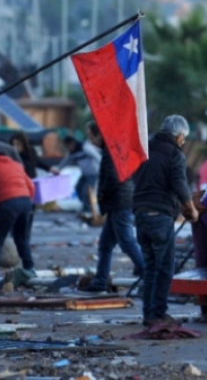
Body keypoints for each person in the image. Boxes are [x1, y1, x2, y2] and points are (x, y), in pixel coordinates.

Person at [133, 115, 198, 326]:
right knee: (165, 268)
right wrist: (191, 210)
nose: (183, 142)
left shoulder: (145, 149)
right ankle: (158, 314)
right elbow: (180, 184)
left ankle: (149, 315)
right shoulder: (174, 154)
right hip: (160, 216)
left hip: (140, 214)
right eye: (184, 139)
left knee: (151, 266)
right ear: (179, 136)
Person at [80, 121, 144, 293]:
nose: (91, 142)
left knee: (127, 242)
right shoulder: (114, 149)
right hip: (120, 201)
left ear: (100, 135)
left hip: (119, 202)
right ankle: (100, 282)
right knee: (105, 245)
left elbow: (113, 178)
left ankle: (149, 273)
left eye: (91, 137)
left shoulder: (111, 152)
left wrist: (101, 195)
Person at [0, 149, 36, 282]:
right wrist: (29, 203)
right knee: (22, 238)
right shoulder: (16, 165)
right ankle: (29, 268)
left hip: (7, 203)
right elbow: (31, 185)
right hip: (25, 200)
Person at [56, 136, 101, 215]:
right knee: (78, 188)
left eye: (68, 146)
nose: (68, 148)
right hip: (85, 174)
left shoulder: (85, 147)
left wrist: (104, 168)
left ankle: (88, 210)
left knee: (86, 191)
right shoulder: (72, 153)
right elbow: (66, 161)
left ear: (73, 143)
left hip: (93, 173)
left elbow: (97, 156)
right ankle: (85, 205)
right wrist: (58, 169)